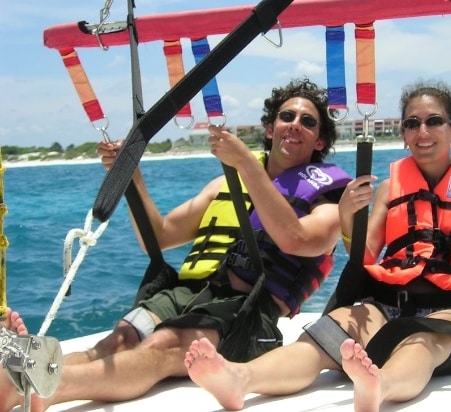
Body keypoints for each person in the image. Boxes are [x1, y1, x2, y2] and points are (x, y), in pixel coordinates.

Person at [0, 77, 351, 411]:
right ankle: (14, 374)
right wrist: (132, 179)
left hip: (247, 311)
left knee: (165, 345)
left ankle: (37, 388)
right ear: (270, 129)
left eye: (308, 122)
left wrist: (244, 161)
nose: (295, 124)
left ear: (319, 141)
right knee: (118, 339)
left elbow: (297, 239)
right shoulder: (223, 185)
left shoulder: (330, 203)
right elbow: (159, 235)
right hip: (190, 293)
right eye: (286, 116)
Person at [184, 80, 451, 412]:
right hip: (389, 303)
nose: (422, 131)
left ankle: (380, 385)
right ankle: (240, 378)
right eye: (412, 123)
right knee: (322, 336)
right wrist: (346, 216)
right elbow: (364, 254)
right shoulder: (390, 188)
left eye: (434, 121)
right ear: (403, 134)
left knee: (421, 342)